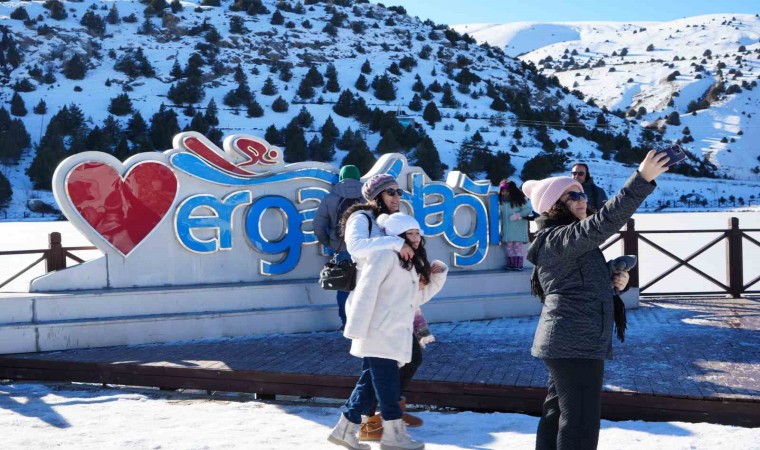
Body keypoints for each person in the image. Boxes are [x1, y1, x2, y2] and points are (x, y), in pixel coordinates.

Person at [523, 151, 670, 450]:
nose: (582, 199)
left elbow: (575, 285)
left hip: (570, 340)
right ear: (552, 207)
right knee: (579, 423)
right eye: (572, 195)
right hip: (574, 342)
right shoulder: (559, 238)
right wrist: (641, 179)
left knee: (558, 415)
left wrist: (612, 280)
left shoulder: (562, 239)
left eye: (581, 193)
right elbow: (605, 221)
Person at [328, 212, 448, 450]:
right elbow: (365, 292)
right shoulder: (383, 256)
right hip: (378, 330)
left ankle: (344, 429)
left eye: (417, 233)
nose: (415, 238)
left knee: (370, 383)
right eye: (410, 233)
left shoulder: (407, 262)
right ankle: (393, 435)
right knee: (386, 384)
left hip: (394, 332)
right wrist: (357, 330)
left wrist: (436, 278)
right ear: (397, 235)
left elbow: (413, 300)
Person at [337, 174, 426, 440]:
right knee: (386, 364)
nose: (397, 198)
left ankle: (352, 424)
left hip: (393, 305)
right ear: (376, 196)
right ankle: (386, 424)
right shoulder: (362, 217)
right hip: (372, 305)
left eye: (398, 192)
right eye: (390, 193)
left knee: (381, 367)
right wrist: (395, 242)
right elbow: (356, 246)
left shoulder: (388, 221)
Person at [314, 165, 365, 328]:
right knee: (366, 285)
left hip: (341, 248)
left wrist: (329, 243)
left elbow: (318, 226)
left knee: (343, 286)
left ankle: (346, 322)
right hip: (365, 249)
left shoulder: (330, 198)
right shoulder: (368, 197)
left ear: (341, 178)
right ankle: (363, 322)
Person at [498, 180, 533, 271]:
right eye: (502, 191)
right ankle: (511, 264)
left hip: (518, 229)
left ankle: (518, 264)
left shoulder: (518, 201)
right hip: (507, 230)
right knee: (509, 247)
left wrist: (518, 215)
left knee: (517, 247)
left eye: (506, 190)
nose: (504, 193)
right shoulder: (502, 203)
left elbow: (528, 209)